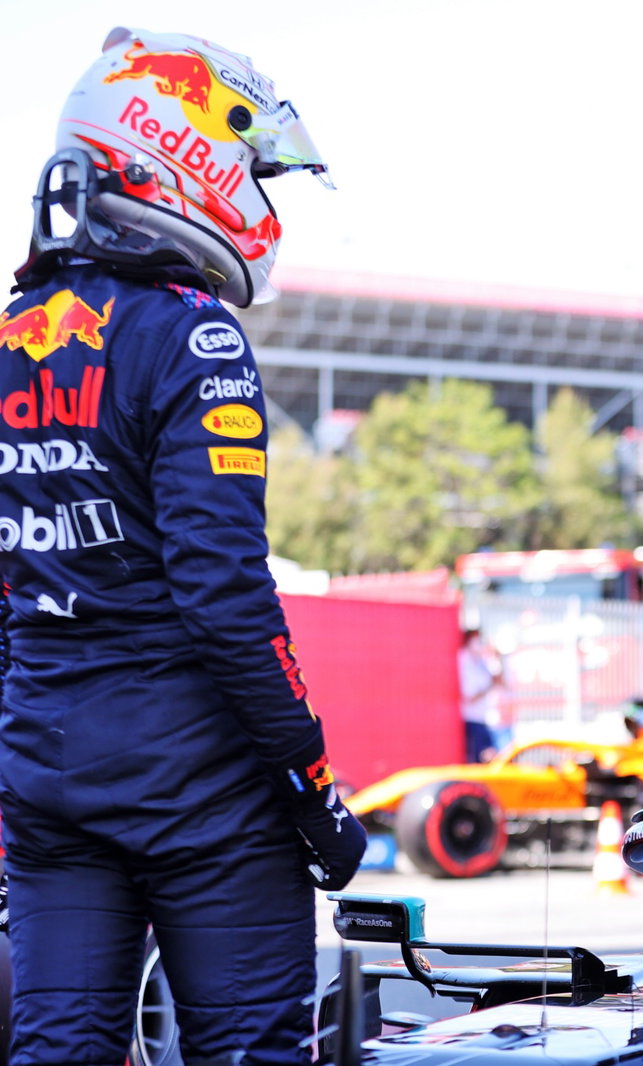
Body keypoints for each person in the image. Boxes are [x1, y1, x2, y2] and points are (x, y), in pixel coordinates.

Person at [0, 28, 366, 1065]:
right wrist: (313, 788)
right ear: (180, 150)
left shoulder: (9, 336)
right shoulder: (193, 335)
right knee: (249, 1052)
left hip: (46, 779)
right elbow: (225, 598)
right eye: (252, 168)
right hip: (200, 790)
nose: (259, 198)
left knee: (57, 1052)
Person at [459, 624, 504, 761]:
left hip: (484, 719)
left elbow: (499, 680)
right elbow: (471, 697)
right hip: (471, 720)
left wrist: (496, 657)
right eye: (475, 639)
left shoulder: (481, 661)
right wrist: (489, 686)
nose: (478, 643)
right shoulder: (464, 660)